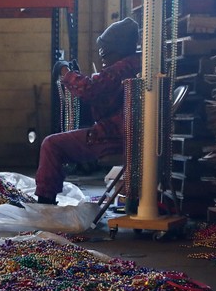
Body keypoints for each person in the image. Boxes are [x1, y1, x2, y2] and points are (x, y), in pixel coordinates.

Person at [35, 17, 141, 204]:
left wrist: (65, 72)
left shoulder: (122, 68)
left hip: (113, 137)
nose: (103, 58)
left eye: (105, 53)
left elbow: (90, 89)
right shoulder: (135, 64)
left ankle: (45, 204)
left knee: (51, 145)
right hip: (124, 134)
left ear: (118, 49)